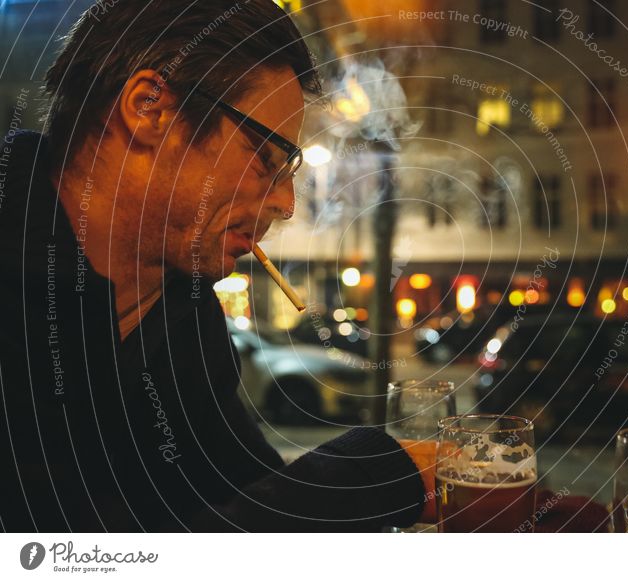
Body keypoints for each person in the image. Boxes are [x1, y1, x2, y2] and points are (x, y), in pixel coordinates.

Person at [0, 0, 425, 532]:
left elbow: (237, 500)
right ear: (150, 108)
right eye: (267, 156)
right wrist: (380, 473)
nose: (286, 204)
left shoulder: (184, 309)